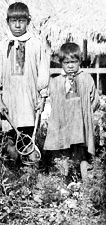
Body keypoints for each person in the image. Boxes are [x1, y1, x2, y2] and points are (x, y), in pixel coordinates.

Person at [0, 2, 50, 163]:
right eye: (13, 21)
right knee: (10, 141)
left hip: (28, 102)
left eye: (22, 21)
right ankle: (14, 177)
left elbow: (43, 73)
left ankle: (30, 179)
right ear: (7, 22)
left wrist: (42, 98)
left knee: (28, 141)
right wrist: (0, 101)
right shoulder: (1, 46)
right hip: (9, 103)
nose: (17, 25)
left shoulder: (36, 45)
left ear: (28, 22)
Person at [44, 42, 100, 181]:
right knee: (63, 153)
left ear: (79, 61)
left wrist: (85, 114)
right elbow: (51, 100)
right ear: (61, 62)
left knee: (82, 153)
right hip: (63, 124)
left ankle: (86, 182)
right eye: (66, 62)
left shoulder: (86, 78)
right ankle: (64, 181)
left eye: (74, 62)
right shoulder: (56, 81)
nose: (70, 66)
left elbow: (95, 100)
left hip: (80, 124)